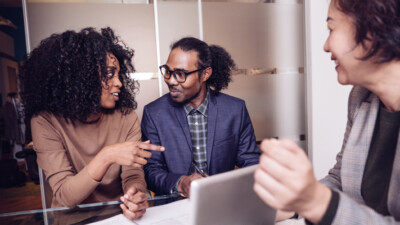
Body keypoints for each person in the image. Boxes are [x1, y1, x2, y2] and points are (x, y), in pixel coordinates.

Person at [254, 0, 400, 224]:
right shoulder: (361, 97)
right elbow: (340, 179)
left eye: (331, 29)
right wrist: (293, 206)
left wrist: (315, 201)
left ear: (372, 31)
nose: (325, 45)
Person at [19, 27, 164, 220]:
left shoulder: (126, 116)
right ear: (81, 76)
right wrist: (107, 155)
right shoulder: (45, 121)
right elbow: (65, 195)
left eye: (119, 75)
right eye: (110, 74)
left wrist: (136, 195)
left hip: (120, 215)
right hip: (73, 219)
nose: (119, 83)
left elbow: (132, 176)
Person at [141, 37, 260, 197]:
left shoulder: (235, 110)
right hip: (174, 209)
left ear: (205, 74)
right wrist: (181, 183)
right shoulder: (154, 113)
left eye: (181, 74)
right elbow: (150, 171)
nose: (170, 80)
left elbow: (251, 163)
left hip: (222, 203)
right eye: (168, 72)